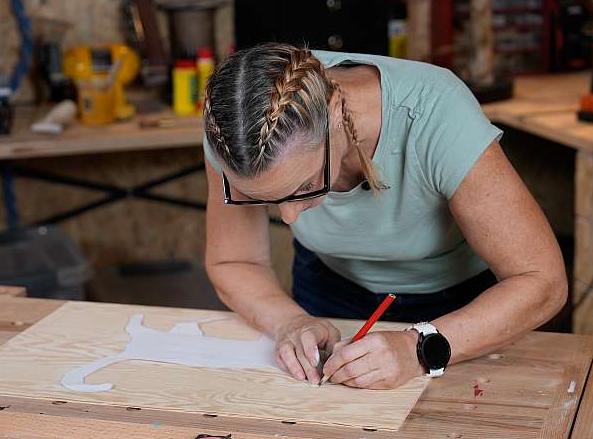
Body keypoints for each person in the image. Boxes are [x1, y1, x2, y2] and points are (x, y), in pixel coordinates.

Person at [202, 44, 567, 389]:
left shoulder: (435, 112)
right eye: (261, 199)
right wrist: (290, 322)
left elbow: (542, 282)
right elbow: (235, 260)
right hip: (328, 288)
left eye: (306, 185)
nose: (290, 217)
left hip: (462, 308)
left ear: (332, 115)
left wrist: (418, 348)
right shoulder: (236, 128)